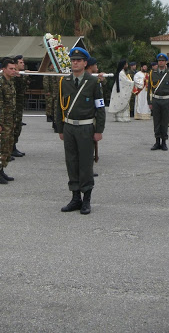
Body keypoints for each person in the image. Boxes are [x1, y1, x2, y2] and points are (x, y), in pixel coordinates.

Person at [55, 47, 105, 215]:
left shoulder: (93, 82)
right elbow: (59, 107)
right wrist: (60, 128)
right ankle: (75, 197)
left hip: (85, 127)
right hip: (69, 127)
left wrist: (99, 130)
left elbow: (100, 107)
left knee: (85, 163)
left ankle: (87, 199)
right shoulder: (64, 81)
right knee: (71, 162)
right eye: (73, 60)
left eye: (78, 60)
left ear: (85, 63)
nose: (75, 63)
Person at [0, 58, 18, 184]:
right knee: (0, 146)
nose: (13, 71)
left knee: (7, 145)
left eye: (14, 68)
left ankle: (1, 169)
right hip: (2, 121)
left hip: (9, 120)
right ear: (4, 69)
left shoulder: (10, 82)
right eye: (11, 69)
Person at [147, 53, 169, 151]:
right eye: (159, 61)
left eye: (163, 61)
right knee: (156, 121)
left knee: (164, 121)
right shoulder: (152, 73)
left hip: (166, 100)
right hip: (156, 100)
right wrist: (149, 102)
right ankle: (157, 141)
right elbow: (149, 89)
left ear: (165, 62)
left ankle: (164, 142)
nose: (161, 62)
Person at [12, 55, 28, 157]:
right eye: (21, 63)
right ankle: (10, 148)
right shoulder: (12, 77)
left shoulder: (22, 75)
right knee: (13, 127)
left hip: (19, 105)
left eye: (23, 62)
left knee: (18, 127)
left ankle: (14, 146)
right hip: (13, 105)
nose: (23, 64)